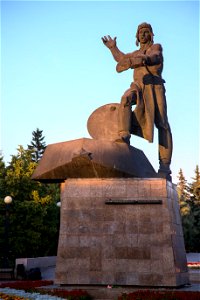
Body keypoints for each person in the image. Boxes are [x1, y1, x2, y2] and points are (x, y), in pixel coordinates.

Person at [102, 22, 173, 180]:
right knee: (126, 98)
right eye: (140, 32)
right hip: (138, 87)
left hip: (154, 87)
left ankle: (165, 166)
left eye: (146, 32)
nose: (143, 34)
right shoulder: (135, 52)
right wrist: (113, 48)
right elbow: (121, 60)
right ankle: (124, 136)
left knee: (162, 124)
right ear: (136, 36)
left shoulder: (156, 47)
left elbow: (155, 57)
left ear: (151, 35)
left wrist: (143, 59)